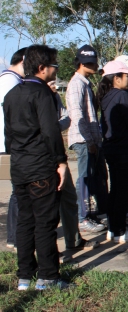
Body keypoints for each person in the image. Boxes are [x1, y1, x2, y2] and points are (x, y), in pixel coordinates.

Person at [3, 44, 70, 290]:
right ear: (42, 68)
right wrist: (60, 161)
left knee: (25, 220)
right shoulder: (41, 94)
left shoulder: (12, 95)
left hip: (19, 166)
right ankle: (48, 276)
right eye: (54, 65)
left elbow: (8, 135)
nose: (56, 70)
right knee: (45, 222)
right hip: (41, 166)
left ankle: (25, 275)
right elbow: (51, 132)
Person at [47, 80, 99, 256]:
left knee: (68, 197)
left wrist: (55, 126)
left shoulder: (52, 95)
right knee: (46, 206)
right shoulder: (32, 94)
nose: (54, 81)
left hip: (57, 153)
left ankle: (74, 240)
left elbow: (66, 117)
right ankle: (47, 252)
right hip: (41, 158)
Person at [97, 60, 128, 243]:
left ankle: (112, 229)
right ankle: (121, 232)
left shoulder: (106, 96)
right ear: (116, 78)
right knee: (122, 192)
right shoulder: (122, 95)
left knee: (115, 190)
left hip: (111, 148)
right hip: (124, 149)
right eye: (127, 76)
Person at [67, 45, 106, 232]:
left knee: (94, 178)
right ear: (82, 63)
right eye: (91, 63)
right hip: (83, 140)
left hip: (91, 140)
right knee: (84, 178)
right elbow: (77, 115)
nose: (95, 66)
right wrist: (89, 140)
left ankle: (91, 214)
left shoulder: (85, 83)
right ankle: (83, 218)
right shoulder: (76, 84)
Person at [1, 48, 26, 250]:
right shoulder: (11, 81)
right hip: (10, 146)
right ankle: (17, 238)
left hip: (8, 145)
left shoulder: (8, 79)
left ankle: (14, 237)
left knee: (17, 191)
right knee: (20, 192)